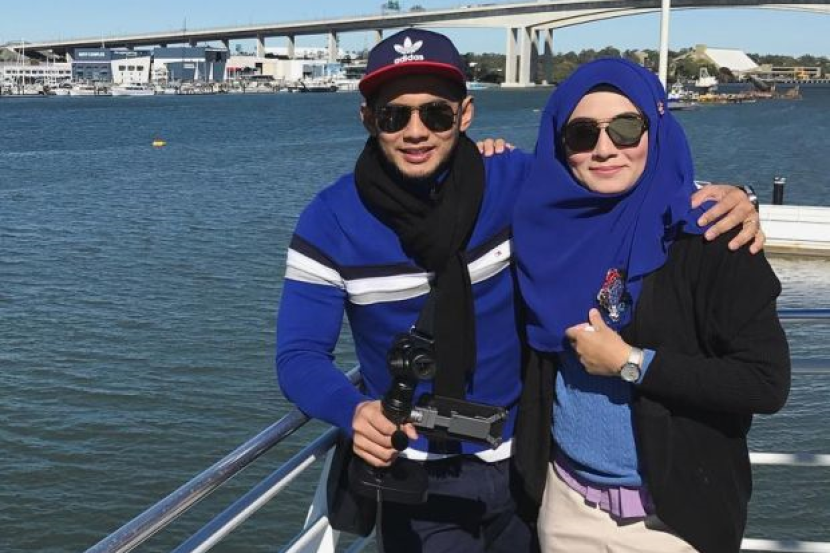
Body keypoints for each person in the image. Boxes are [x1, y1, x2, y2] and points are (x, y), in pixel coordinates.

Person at [276, 29, 761, 553]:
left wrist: (728, 198)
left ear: (465, 115)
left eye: (436, 114)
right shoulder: (329, 222)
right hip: (414, 470)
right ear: (368, 118)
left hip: (530, 460)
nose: (416, 132)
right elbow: (299, 353)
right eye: (394, 116)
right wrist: (350, 410)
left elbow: (613, 187)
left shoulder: (515, 181)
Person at [510, 58, 790, 553]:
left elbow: (765, 383)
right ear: (558, 144)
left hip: (673, 519)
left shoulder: (712, 235)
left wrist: (632, 363)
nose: (604, 148)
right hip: (565, 506)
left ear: (655, 129)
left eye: (625, 128)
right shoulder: (542, 231)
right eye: (581, 134)